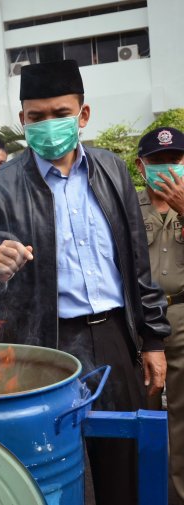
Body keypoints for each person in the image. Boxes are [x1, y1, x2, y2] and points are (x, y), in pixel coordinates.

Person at [0, 59, 169, 505]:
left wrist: (152, 341)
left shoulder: (111, 172)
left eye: (60, 113)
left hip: (113, 337)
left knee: (122, 465)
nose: (48, 125)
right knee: (49, 471)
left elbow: (136, 267)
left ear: (83, 115)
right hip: (43, 344)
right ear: (23, 120)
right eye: (36, 117)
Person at [134, 126, 184, 503]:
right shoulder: (127, 206)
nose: (166, 168)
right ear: (141, 165)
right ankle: (140, 494)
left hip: (183, 318)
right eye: (157, 161)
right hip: (138, 326)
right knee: (140, 417)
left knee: (183, 427)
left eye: (175, 160)